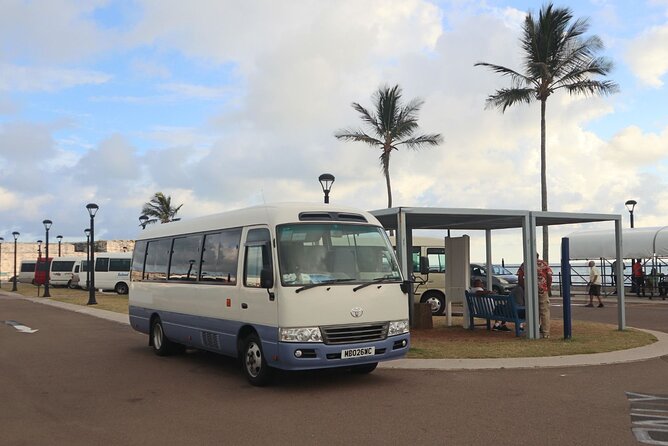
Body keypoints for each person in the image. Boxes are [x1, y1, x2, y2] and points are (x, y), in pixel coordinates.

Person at [517, 253, 553, 339]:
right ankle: (545, 333)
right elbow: (549, 275)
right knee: (544, 311)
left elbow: (520, 278)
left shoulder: (524, 265)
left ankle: (533, 330)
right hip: (542, 289)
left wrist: (524, 287)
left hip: (530, 291)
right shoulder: (544, 264)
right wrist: (548, 286)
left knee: (532, 310)